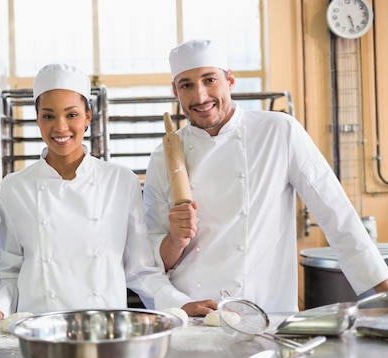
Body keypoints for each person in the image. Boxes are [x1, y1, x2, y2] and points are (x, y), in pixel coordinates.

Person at [143, 39, 388, 317]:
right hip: (196, 316)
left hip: (266, 313)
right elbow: (151, 260)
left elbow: (334, 210)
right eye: (186, 85)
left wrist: (382, 285)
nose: (200, 97)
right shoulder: (163, 158)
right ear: (175, 90)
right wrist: (175, 244)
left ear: (230, 79)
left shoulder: (278, 132)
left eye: (210, 80)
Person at [0, 63, 184, 323]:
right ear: (37, 118)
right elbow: (9, 271)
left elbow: (142, 271)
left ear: (88, 117)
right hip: (38, 331)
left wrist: (181, 303)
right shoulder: (14, 188)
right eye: (49, 116)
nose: (60, 127)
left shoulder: (121, 182)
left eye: (71, 114)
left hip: (104, 331)